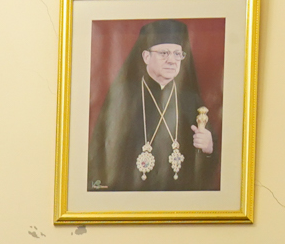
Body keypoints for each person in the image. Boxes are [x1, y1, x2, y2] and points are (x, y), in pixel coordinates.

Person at [88, 19, 218, 194]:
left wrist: (208, 147)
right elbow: (101, 151)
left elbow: (207, 165)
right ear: (146, 57)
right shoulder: (124, 96)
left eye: (178, 54)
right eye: (164, 53)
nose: (172, 60)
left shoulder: (191, 100)